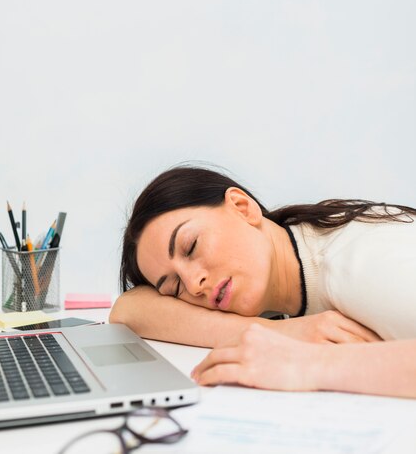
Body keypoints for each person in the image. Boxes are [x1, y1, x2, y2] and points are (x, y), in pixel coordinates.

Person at [110, 165, 416, 398]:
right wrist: (278, 332)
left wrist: (310, 364)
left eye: (190, 247)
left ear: (243, 208)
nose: (193, 284)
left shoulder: (359, 267)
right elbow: (130, 309)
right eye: (173, 287)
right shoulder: (286, 259)